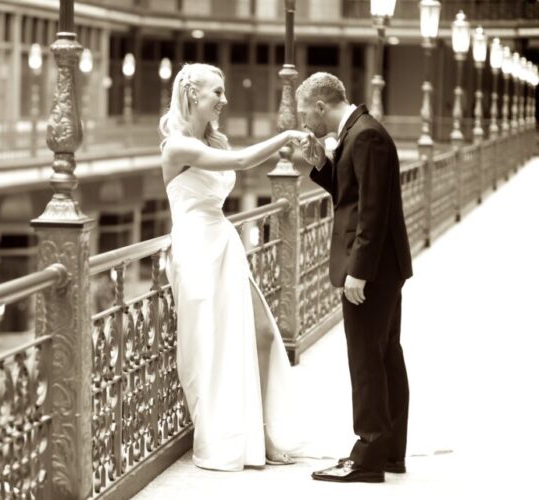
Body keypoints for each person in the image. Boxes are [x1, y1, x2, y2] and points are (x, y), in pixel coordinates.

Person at [159, 63, 308, 471]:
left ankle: (261, 433)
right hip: (195, 250)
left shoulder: (210, 140)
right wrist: (286, 135)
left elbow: (233, 163)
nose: (225, 100)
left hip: (223, 243)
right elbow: (242, 162)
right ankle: (227, 437)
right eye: (217, 92)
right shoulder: (177, 146)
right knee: (211, 346)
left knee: (260, 334)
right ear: (193, 95)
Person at [294, 72, 413, 483]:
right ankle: (389, 451)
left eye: (304, 111)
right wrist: (322, 165)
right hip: (383, 267)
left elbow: (373, 211)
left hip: (372, 269)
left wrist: (358, 272)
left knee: (366, 359)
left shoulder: (365, 136)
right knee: (384, 355)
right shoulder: (358, 133)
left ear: (321, 106)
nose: (303, 120)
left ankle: (367, 456)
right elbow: (353, 194)